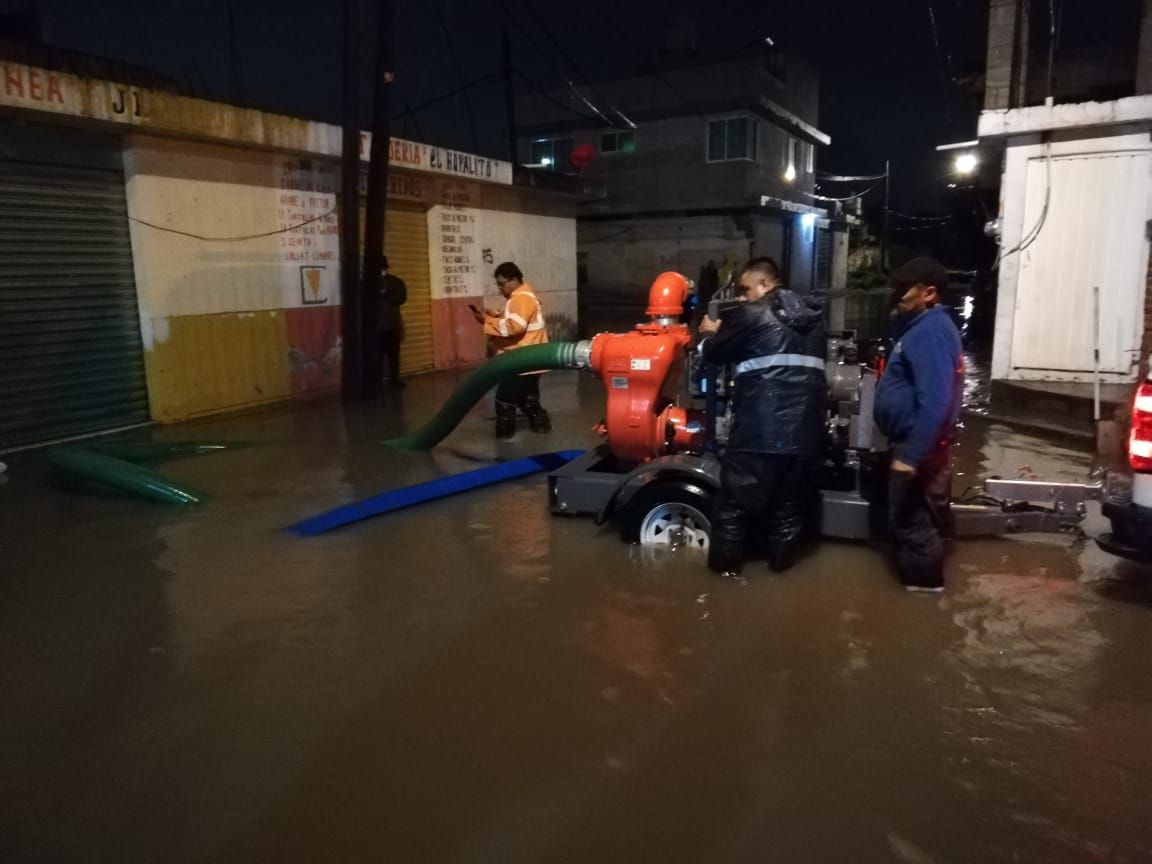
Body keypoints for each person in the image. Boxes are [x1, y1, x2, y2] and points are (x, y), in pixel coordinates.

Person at [698, 257, 827, 576]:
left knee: (732, 513)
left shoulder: (752, 314)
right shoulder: (815, 322)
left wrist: (708, 334)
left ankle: (721, 587)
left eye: (745, 289)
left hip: (759, 433)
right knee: (787, 515)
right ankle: (780, 585)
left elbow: (715, 354)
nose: (741, 297)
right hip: (807, 438)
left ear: (767, 284)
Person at [874, 257, 964, 592]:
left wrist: (910, 456)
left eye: (904, 288)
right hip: (921, 444)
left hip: (917, 448)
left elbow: (937, 401)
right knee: (919, 519)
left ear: (929, 293)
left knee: (914, 524)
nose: (897, 293)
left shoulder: (930, 332)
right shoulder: (923, 328)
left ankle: (923, 604)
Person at [472, 261, 551, 439]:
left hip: (519, 360)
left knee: (504, 400)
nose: (500, 289)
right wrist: (493, 317)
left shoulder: (520, 298)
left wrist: (487, 321)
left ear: (514, 279)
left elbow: (515, 327)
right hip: (532, 359)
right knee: (528, 399)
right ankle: (542, 432)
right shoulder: (525, 297)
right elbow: (516, 321)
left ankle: (504, 445)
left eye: (502, 283)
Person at [377, 255, 407, 388]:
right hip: (383, 327)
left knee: (392, 356)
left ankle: (392, 380)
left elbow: (400, 298)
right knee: (386, 357)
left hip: (388, 326)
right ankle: (388, 381)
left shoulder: (395, 282)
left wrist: (386, 293)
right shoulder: (368, 283)